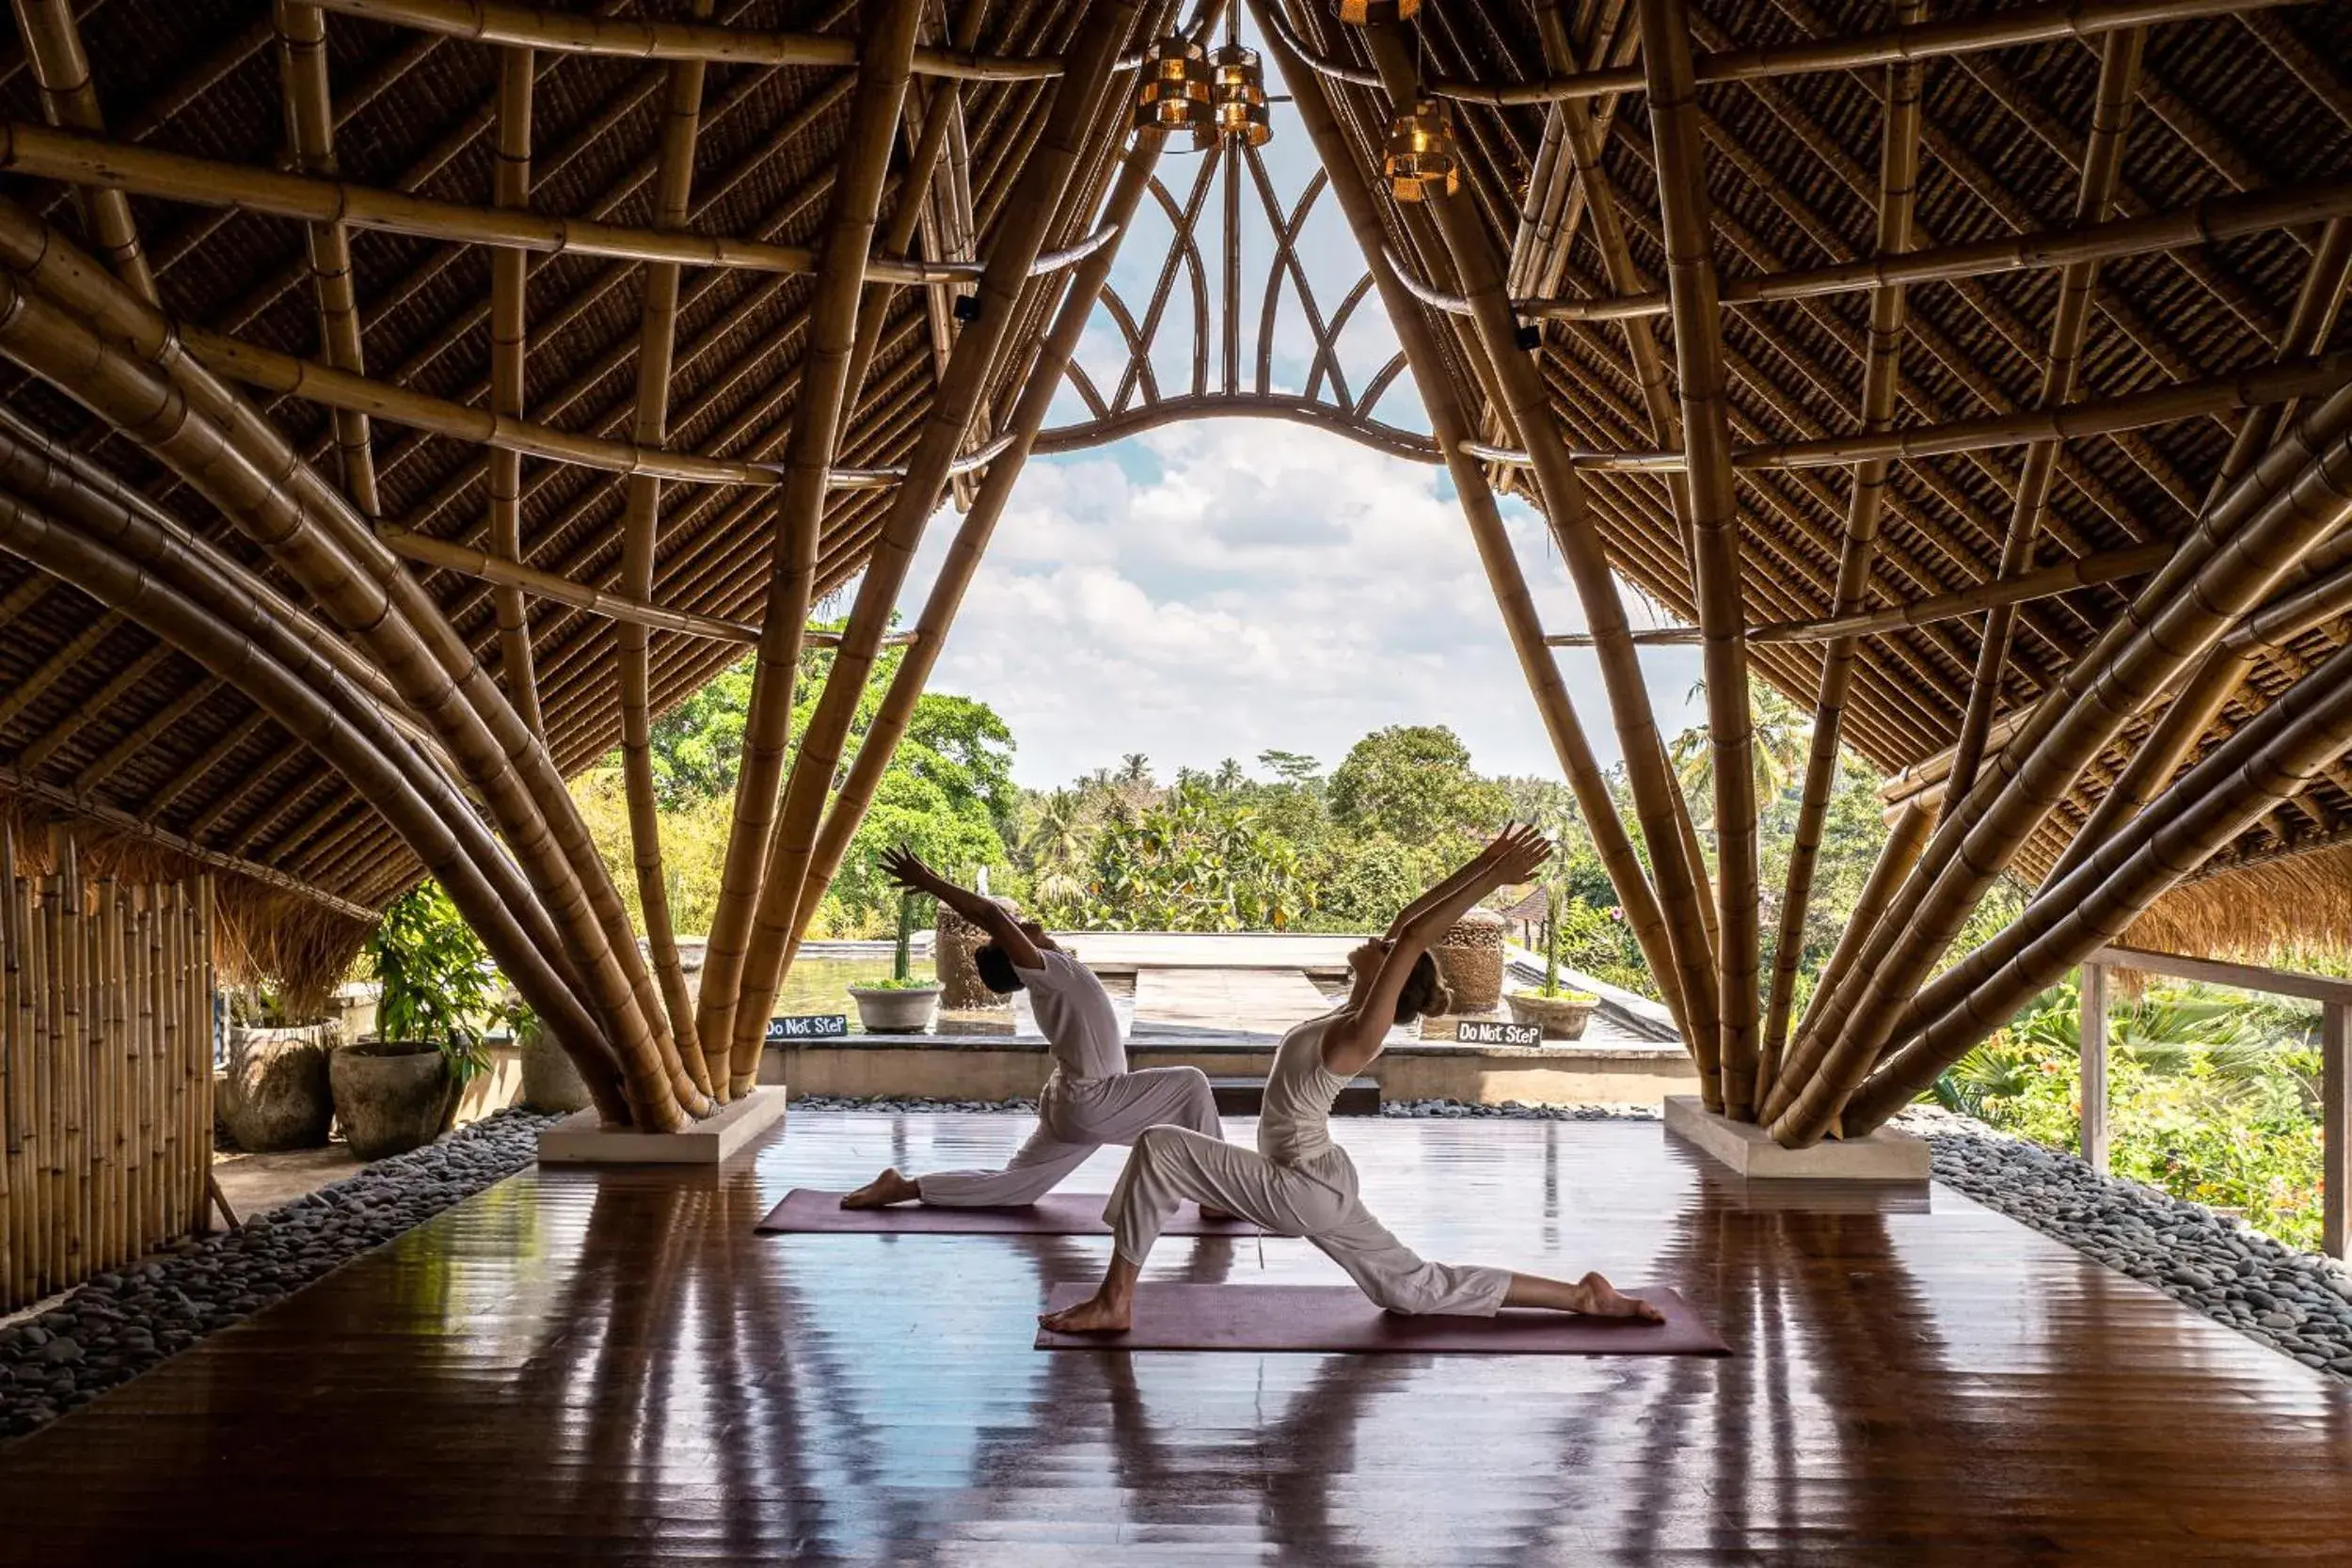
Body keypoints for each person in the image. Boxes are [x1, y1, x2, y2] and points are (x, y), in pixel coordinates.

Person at [1040, 826, 1661, 1333]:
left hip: (1298, 1185)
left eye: (1388, 949)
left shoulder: (1359, 1033)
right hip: (1315, 1176)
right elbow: (1411, 919)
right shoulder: (1345, 1014)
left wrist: (1496, 881)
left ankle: (1115, 1300)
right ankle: (1583, 1296)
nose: (1377, 939)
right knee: (1412, 1288)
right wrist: (1485, 860)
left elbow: (1418, 933)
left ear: (1395, 972)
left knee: (1159, 1145)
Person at [840, 847, 1233, 1216]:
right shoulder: (1045, 972)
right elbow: (991, 916)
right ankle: (1218, 1194)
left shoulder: (1056, 966)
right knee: (1192, 1084)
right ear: (1017, 956)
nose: (1013, 924)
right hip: (1094, 1101)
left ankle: (904, 1187)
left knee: (1016, 1187)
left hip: (1074, 1102)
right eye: (1006, 936)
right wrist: (929, 881)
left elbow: (997, 921)